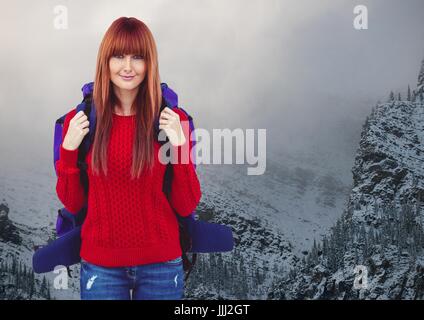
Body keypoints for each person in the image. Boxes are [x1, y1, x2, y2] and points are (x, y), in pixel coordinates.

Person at [55, 16, 202, 300]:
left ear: (150, 63)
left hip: (162, 265)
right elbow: (73, 202)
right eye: (118, 56)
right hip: (101, 268)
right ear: (105, 61)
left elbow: (186, 204)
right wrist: (69, 150)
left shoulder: (172, 119)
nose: (127, 67)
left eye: (137, 57)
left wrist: (181, 147)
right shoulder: (81, 120)